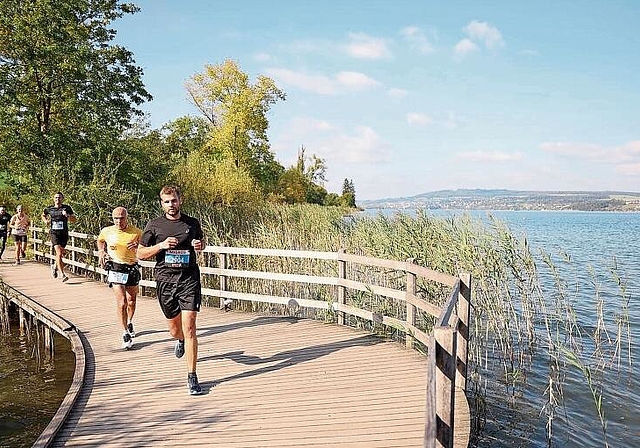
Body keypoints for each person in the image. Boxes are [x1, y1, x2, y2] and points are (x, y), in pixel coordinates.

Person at [137, 185, 205, 395]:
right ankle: (180, 340)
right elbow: (140, 253)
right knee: (175, 330)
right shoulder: (154, 225)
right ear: (162, 204)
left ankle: (192, 376)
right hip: (166, 280)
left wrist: (200, 245)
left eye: (174, 200)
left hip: (189, 279)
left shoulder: (192, 223)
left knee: (190, 326)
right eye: (167, 202)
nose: (171, 205)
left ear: (180, 200)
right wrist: (161, 246)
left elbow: (203, 241)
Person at [96, 207, 142, 350]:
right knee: (121, 302)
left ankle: (129, 322)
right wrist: (101, 251)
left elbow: (146, 247)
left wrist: (138, 245)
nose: (118, 221)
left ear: (126, 218)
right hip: (116, 267)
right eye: (116, 218)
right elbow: (100, 240)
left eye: (121, 218)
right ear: (112, 218)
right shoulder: (107, 231)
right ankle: (125, 333)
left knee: (131, 301)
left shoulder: (136, 232)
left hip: (131, 267)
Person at [42, 192, 77, 282]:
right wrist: (46, 221)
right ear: (54, 199)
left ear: (62, 199)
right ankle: (62, 274)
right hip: (54, 233)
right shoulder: (50, 208)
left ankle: (54, 266)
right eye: (56, 197)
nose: (58, 199)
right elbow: (43, 215)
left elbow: (74, 220)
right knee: (59, 253)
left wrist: (67, 216)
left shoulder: (67, 208)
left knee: (61, 253)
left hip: (64, 233)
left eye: (59, 197)